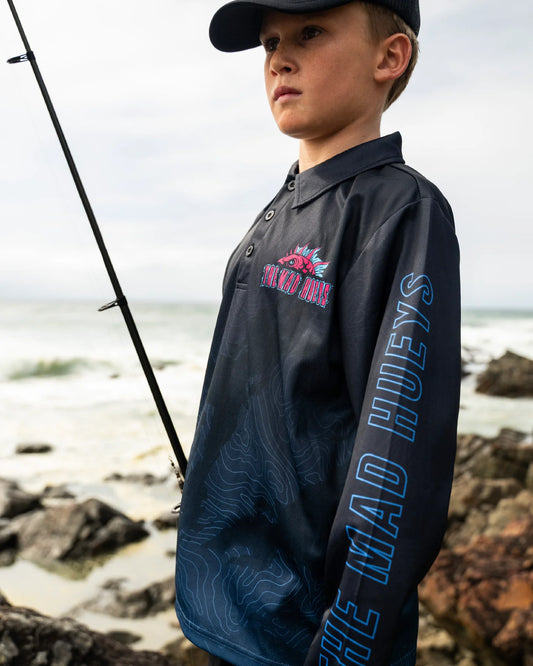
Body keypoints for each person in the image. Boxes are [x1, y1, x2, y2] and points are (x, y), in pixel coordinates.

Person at [175, 1, 461, 665]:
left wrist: (343, 646)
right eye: (270, 42)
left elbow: (397, 462)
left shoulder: (402, 210)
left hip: (311, 640)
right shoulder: (280, 207)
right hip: (226, 616)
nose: (279, 58)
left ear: (389, 57)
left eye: (309, 32)